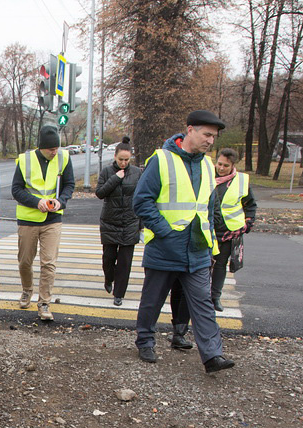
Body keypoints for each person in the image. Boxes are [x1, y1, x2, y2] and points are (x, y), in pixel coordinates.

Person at [132, 110, 235, 373]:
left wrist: (211, 242)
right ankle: (145, 341)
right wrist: (164, 231)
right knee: (152, 300)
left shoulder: (206, 165)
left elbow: (208, 208)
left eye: (214, 137)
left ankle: (212, 356)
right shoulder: (162, 160)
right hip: (165, 247)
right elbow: (141, 201)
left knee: (202, 303)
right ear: (190, 130)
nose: (211, 141)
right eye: (207, 134)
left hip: (197, 249)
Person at [11, 124, 75, 321]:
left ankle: (44, 302)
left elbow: (69, 185)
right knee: (25, 261)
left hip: (53, 219)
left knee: (48, 263)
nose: (54, 152)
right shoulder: (25, 160)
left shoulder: (64, 158)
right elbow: (16, 190)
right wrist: (36, 202)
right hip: (28, 219)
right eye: (51, 149)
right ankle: (26, 290)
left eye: (56, 148)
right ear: (41, 147)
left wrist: (60, 201)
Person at [208, 147, 256, 311]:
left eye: (225, 166)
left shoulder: (241, 181)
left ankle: (215, 297)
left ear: (233, 165)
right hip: (209, 228)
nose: (221, 168)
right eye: (219, 164)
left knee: (220, 265)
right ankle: (201, 297)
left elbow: (250, 204)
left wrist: (249, 222)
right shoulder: (207, 176)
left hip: (229, 231)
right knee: (204, 265)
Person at [96, 141, 141, 307]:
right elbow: (100, 193)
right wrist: (115, 178)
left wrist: (140, 223)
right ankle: (109, 278)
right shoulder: (107, 172)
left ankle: (119, 293)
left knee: (125, 262)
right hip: (110, 220)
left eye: (127, 160)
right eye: (121, 159)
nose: (124, 163)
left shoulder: (137, 173)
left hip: (130, 221)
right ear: (115, 157)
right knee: (108, 258)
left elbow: (142, 196)